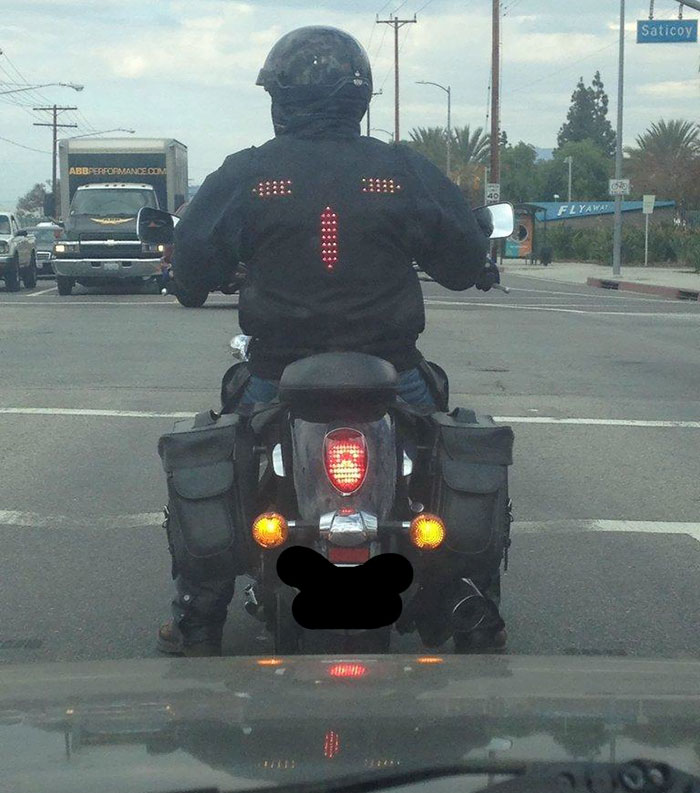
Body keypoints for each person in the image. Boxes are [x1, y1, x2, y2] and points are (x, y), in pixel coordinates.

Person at [157, 25, 500, 657]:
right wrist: (475, 257)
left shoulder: (249, 173)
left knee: (222, 457)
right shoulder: (401, 171)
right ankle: (471, 600)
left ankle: (198, 613)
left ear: (277, 98)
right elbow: (462, 263)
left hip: (277, 372)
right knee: (444, 448)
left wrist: (187, 277)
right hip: (392, 371)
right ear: (362, 97)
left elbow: (192, 269)